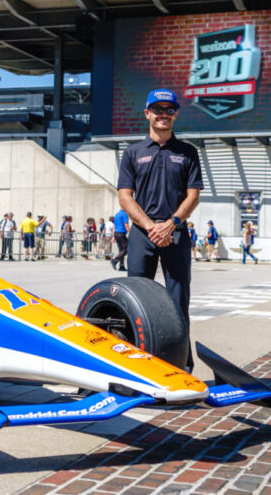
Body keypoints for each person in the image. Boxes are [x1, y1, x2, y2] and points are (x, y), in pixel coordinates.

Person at [117, 88, 203, 371]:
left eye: (169, 110)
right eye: (158, 109)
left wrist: (172, 224)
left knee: (179, 302)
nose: (163, 114)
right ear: (147, 113)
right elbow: (125, 196)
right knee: (134, 301)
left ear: (175, 114)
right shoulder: (133, 152)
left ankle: (181, 367)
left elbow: (193, 195)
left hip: (176, 233)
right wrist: (151, 226)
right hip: (143, 234)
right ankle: (134, 366)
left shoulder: (187, 152)